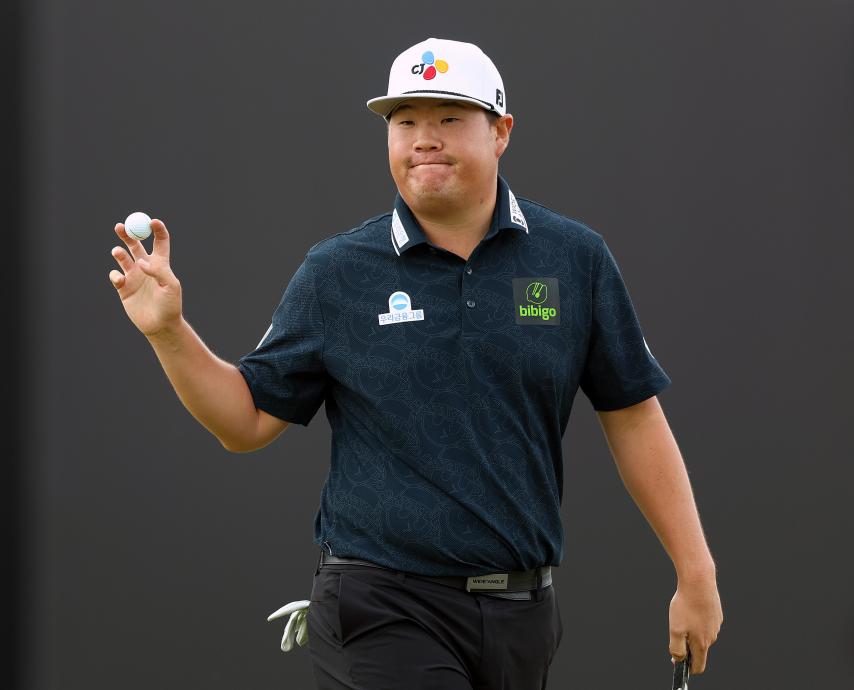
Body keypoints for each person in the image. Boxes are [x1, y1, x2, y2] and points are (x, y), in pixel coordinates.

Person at [108, 37, 723, 690]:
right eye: (406, 123)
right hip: (382, 604)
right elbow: (246, 421)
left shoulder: (574, 259)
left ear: (502, 132)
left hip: (523, 612)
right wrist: (170, 334)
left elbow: (632, 415)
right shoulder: (338, 271)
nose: (424, 139)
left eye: (449, 119)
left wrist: (696, 572)